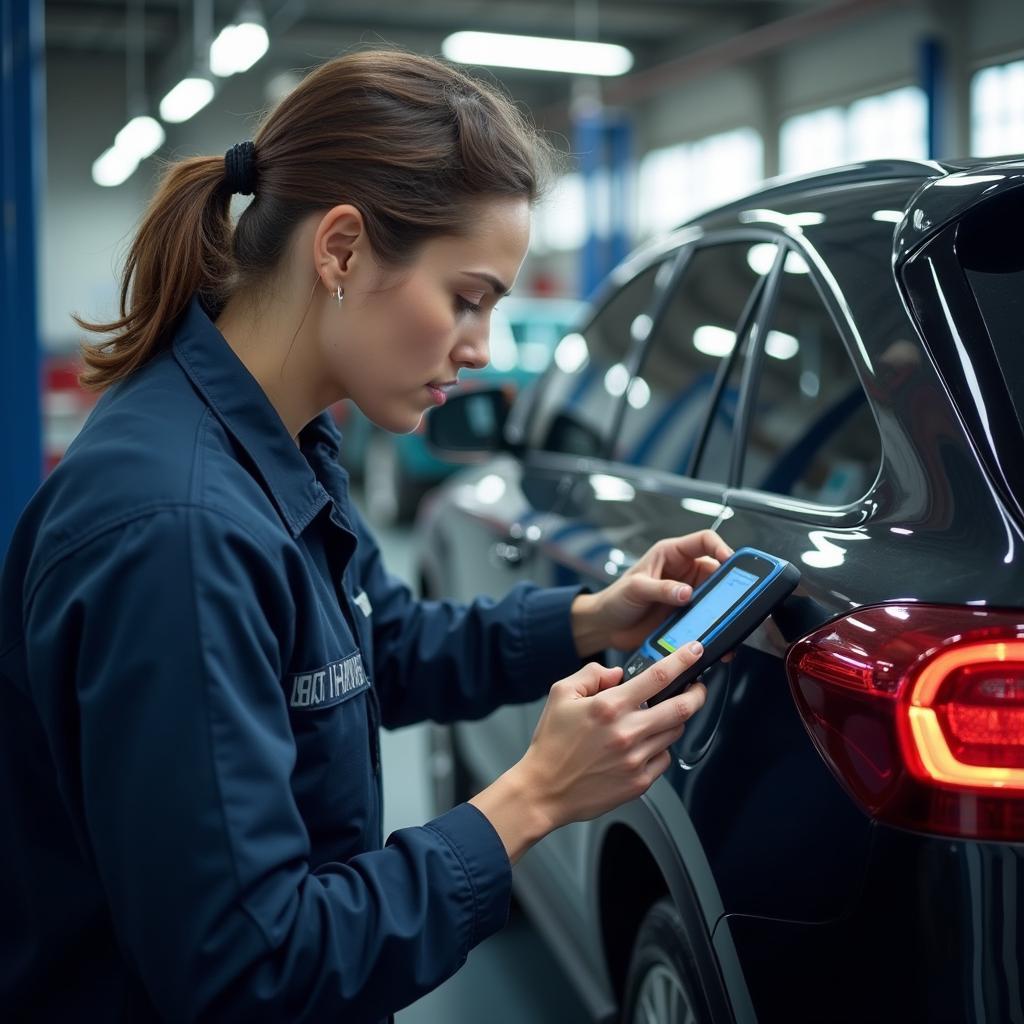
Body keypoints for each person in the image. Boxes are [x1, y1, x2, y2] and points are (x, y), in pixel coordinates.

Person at [0, 49, 732, 1022]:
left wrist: (592, 617)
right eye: (466, 298)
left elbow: (372, 647)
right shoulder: (177, 533)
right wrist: (529, 799)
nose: (479, 349)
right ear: (340, 249)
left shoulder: (289, 438)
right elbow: (251, 969)